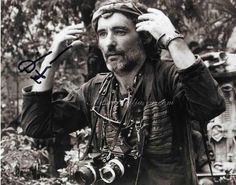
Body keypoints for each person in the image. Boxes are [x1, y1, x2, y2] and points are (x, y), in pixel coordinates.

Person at [21, 1, 226, 185]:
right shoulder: (95, 90)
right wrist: (50, 61)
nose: (109, 42)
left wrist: (173, 39)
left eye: (119, 31)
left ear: (143, 37)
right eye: (102, 34)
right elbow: (36, 125)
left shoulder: (168, 77)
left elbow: (211, 104)